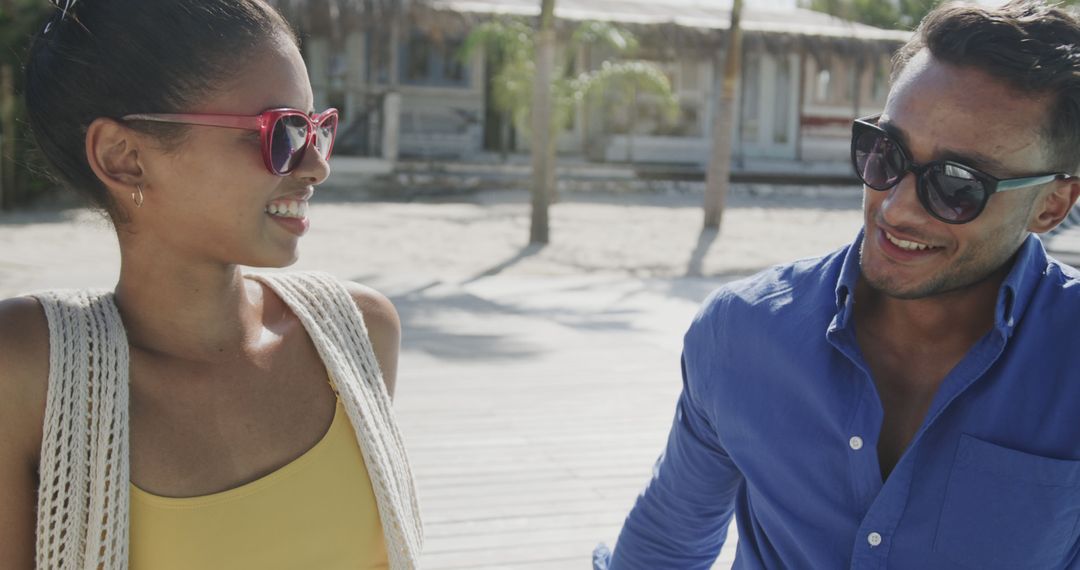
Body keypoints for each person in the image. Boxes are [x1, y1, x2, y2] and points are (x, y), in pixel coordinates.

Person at [598, 1, 1080, 568]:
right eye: (886, 153)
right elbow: (663, 545)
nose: (896, 206)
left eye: (958, 184)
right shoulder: (742, 332)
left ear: (1052, 205)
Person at [0, 1, 422, 568]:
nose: (317, 165)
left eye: (318, 128)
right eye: (282, 131)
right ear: (123, 158)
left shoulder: (356, 333)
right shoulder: (30, 368)